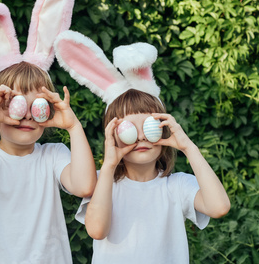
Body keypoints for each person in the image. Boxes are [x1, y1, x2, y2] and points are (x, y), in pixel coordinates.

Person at [0, 0, 96, 263]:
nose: (27, 116)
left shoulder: (53, 155)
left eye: (37, 107)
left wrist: (74, 127)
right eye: (15, 105)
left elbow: (85, 186)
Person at [54, 30, 231, 264]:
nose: (139, 138)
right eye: (128, 129)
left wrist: (188, 147)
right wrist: (109, 165)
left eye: (149, 126)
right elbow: (97, 230)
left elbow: (219, 207)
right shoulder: (102, 183)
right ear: (112, 136)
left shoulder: (177, 185)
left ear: (164, 129)